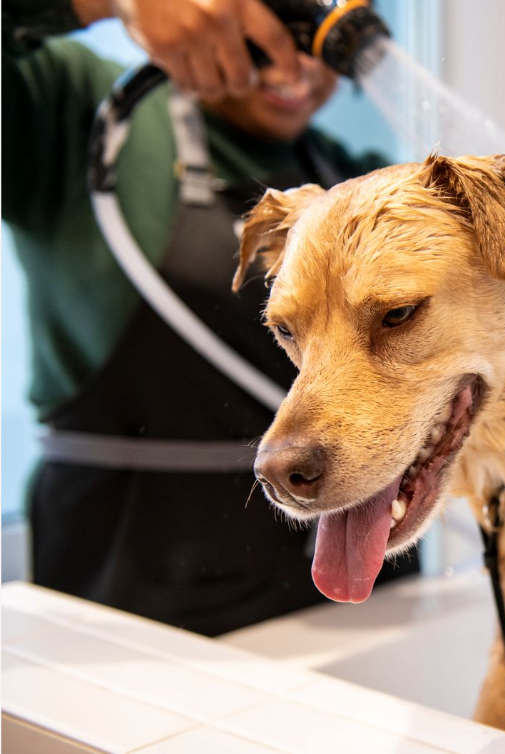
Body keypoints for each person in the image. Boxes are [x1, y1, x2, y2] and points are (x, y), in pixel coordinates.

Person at [2, 0, 418, 636]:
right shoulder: (72, 109)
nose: (297, 65)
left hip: (357, 602)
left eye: (317, 37)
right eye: (279, 22)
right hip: (139, 598)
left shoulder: (347, 175)